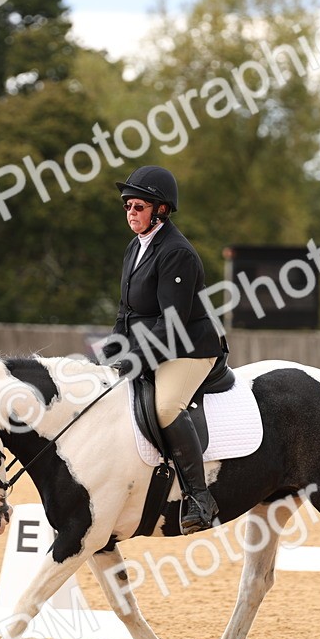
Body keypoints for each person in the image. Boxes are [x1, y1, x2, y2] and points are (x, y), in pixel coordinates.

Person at [98, 166, 224, 535]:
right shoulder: (135, 247)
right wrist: (109, 355)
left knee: (166, 406)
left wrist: (134, 360)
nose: (131, 212)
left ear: (161, 210)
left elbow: (171, 322)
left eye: (139, 206)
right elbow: (125, 312)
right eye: (127, 206)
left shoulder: (176, 253)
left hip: (188, 348)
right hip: (150, 343)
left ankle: (200, 497)